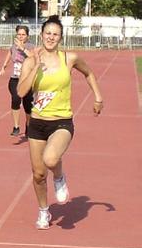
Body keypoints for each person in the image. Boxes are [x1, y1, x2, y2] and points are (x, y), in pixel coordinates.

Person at [16, 15, 104, 230]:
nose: (51, 37)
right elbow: (21, 91)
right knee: (37, 175)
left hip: (62, 121)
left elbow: (89, 73)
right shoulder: (30, 61)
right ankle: (44, 211)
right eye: (48, 33)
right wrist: (36, 66)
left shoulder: (69, 59)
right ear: (42, 35)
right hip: (37, 124)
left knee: (51, 158)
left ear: (61, 38)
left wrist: (98, 97)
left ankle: (59, 176)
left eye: (55, 34)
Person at [0, 25, 34, 137]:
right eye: (19, 34)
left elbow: (33, 57)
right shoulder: (13, 46)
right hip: (15, 79)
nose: (21, 36)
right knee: (15, 99)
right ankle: (16, 127)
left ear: (27, 36)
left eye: (23, 34)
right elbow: (9, 53)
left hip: (27, 80)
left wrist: (22, 47)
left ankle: (28, 125)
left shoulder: (31, 46)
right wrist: (4, 65)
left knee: (28, 105)